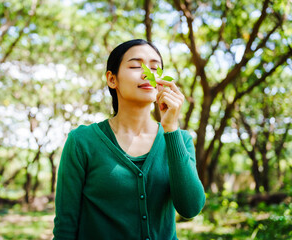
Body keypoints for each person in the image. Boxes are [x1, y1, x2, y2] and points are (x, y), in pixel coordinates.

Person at [53, 39, 205, 240]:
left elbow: (191, 208)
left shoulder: (180, 140)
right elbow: (65, 227)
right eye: (135, 66)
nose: (147, 73)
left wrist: (171, 129)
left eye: (155, 68)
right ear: (112, 79)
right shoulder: (82, 141)